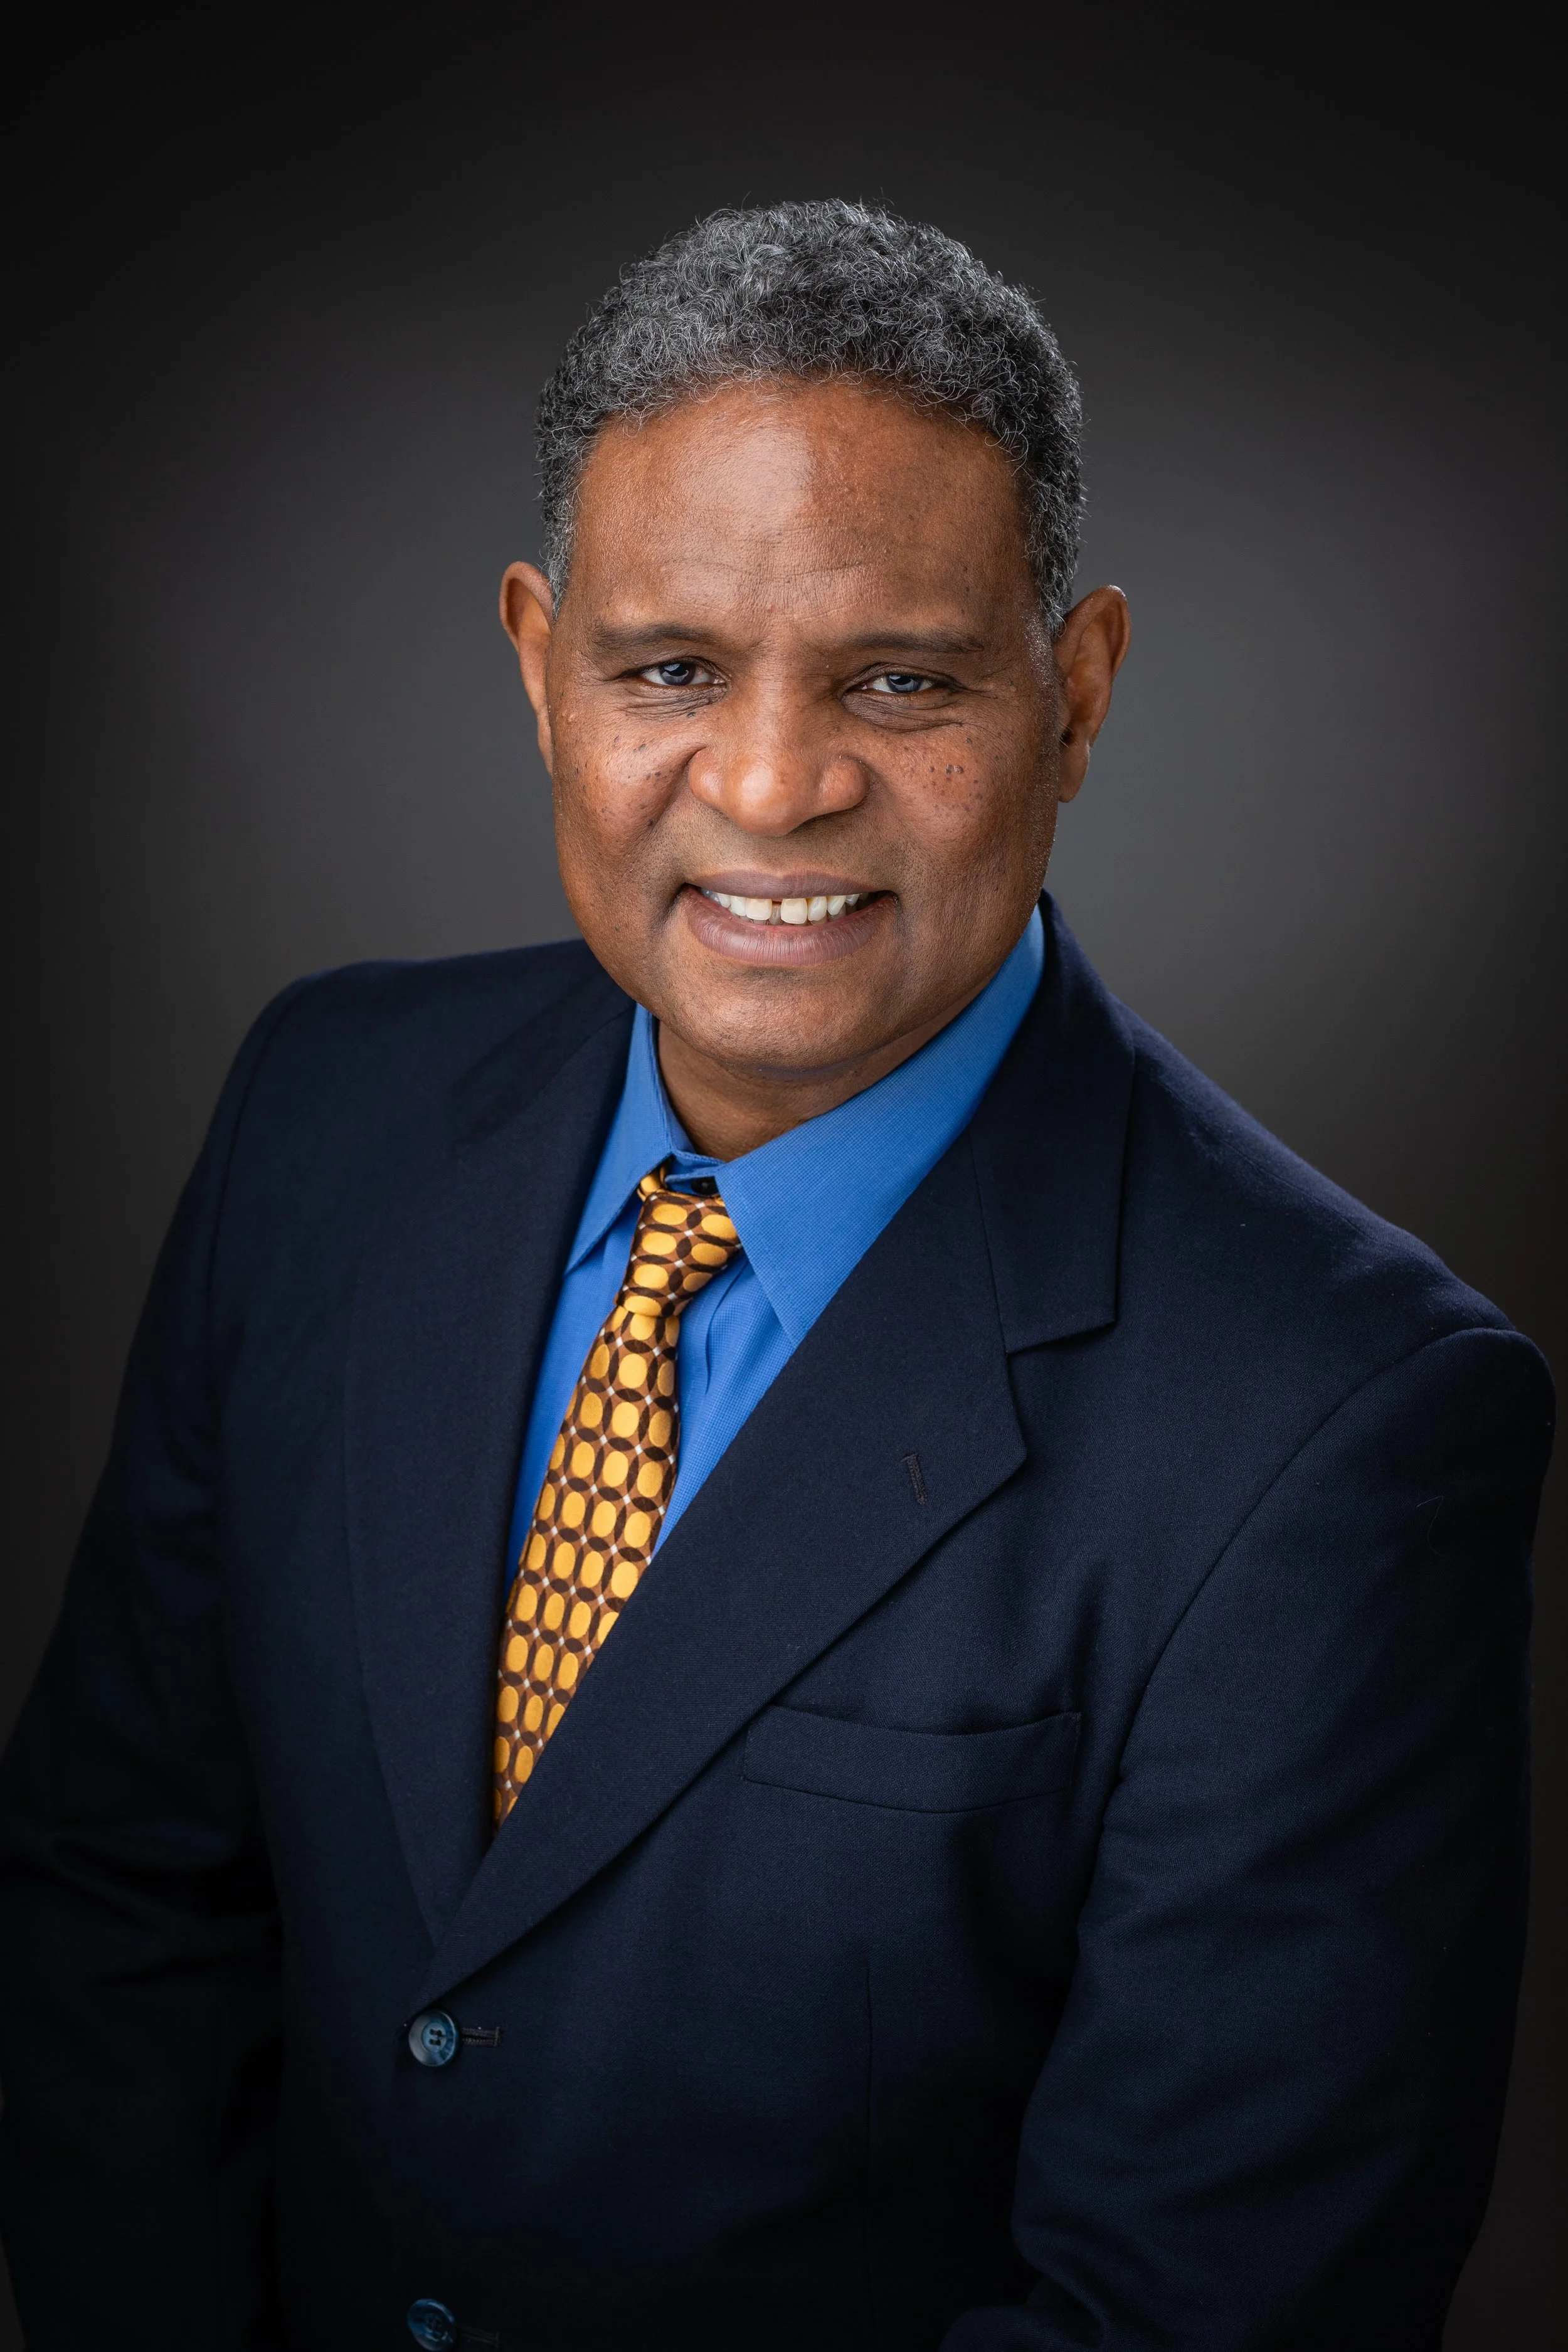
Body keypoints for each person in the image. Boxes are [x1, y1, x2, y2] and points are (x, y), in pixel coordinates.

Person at [0, 200, 1552, 2352]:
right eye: (668, 672)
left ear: (1075, 693)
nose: (766, 784)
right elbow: (119, 1895)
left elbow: (1187, 2308)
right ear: (541, 667)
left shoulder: (1338, 1420)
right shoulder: (322, 1113)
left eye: (900, 679)